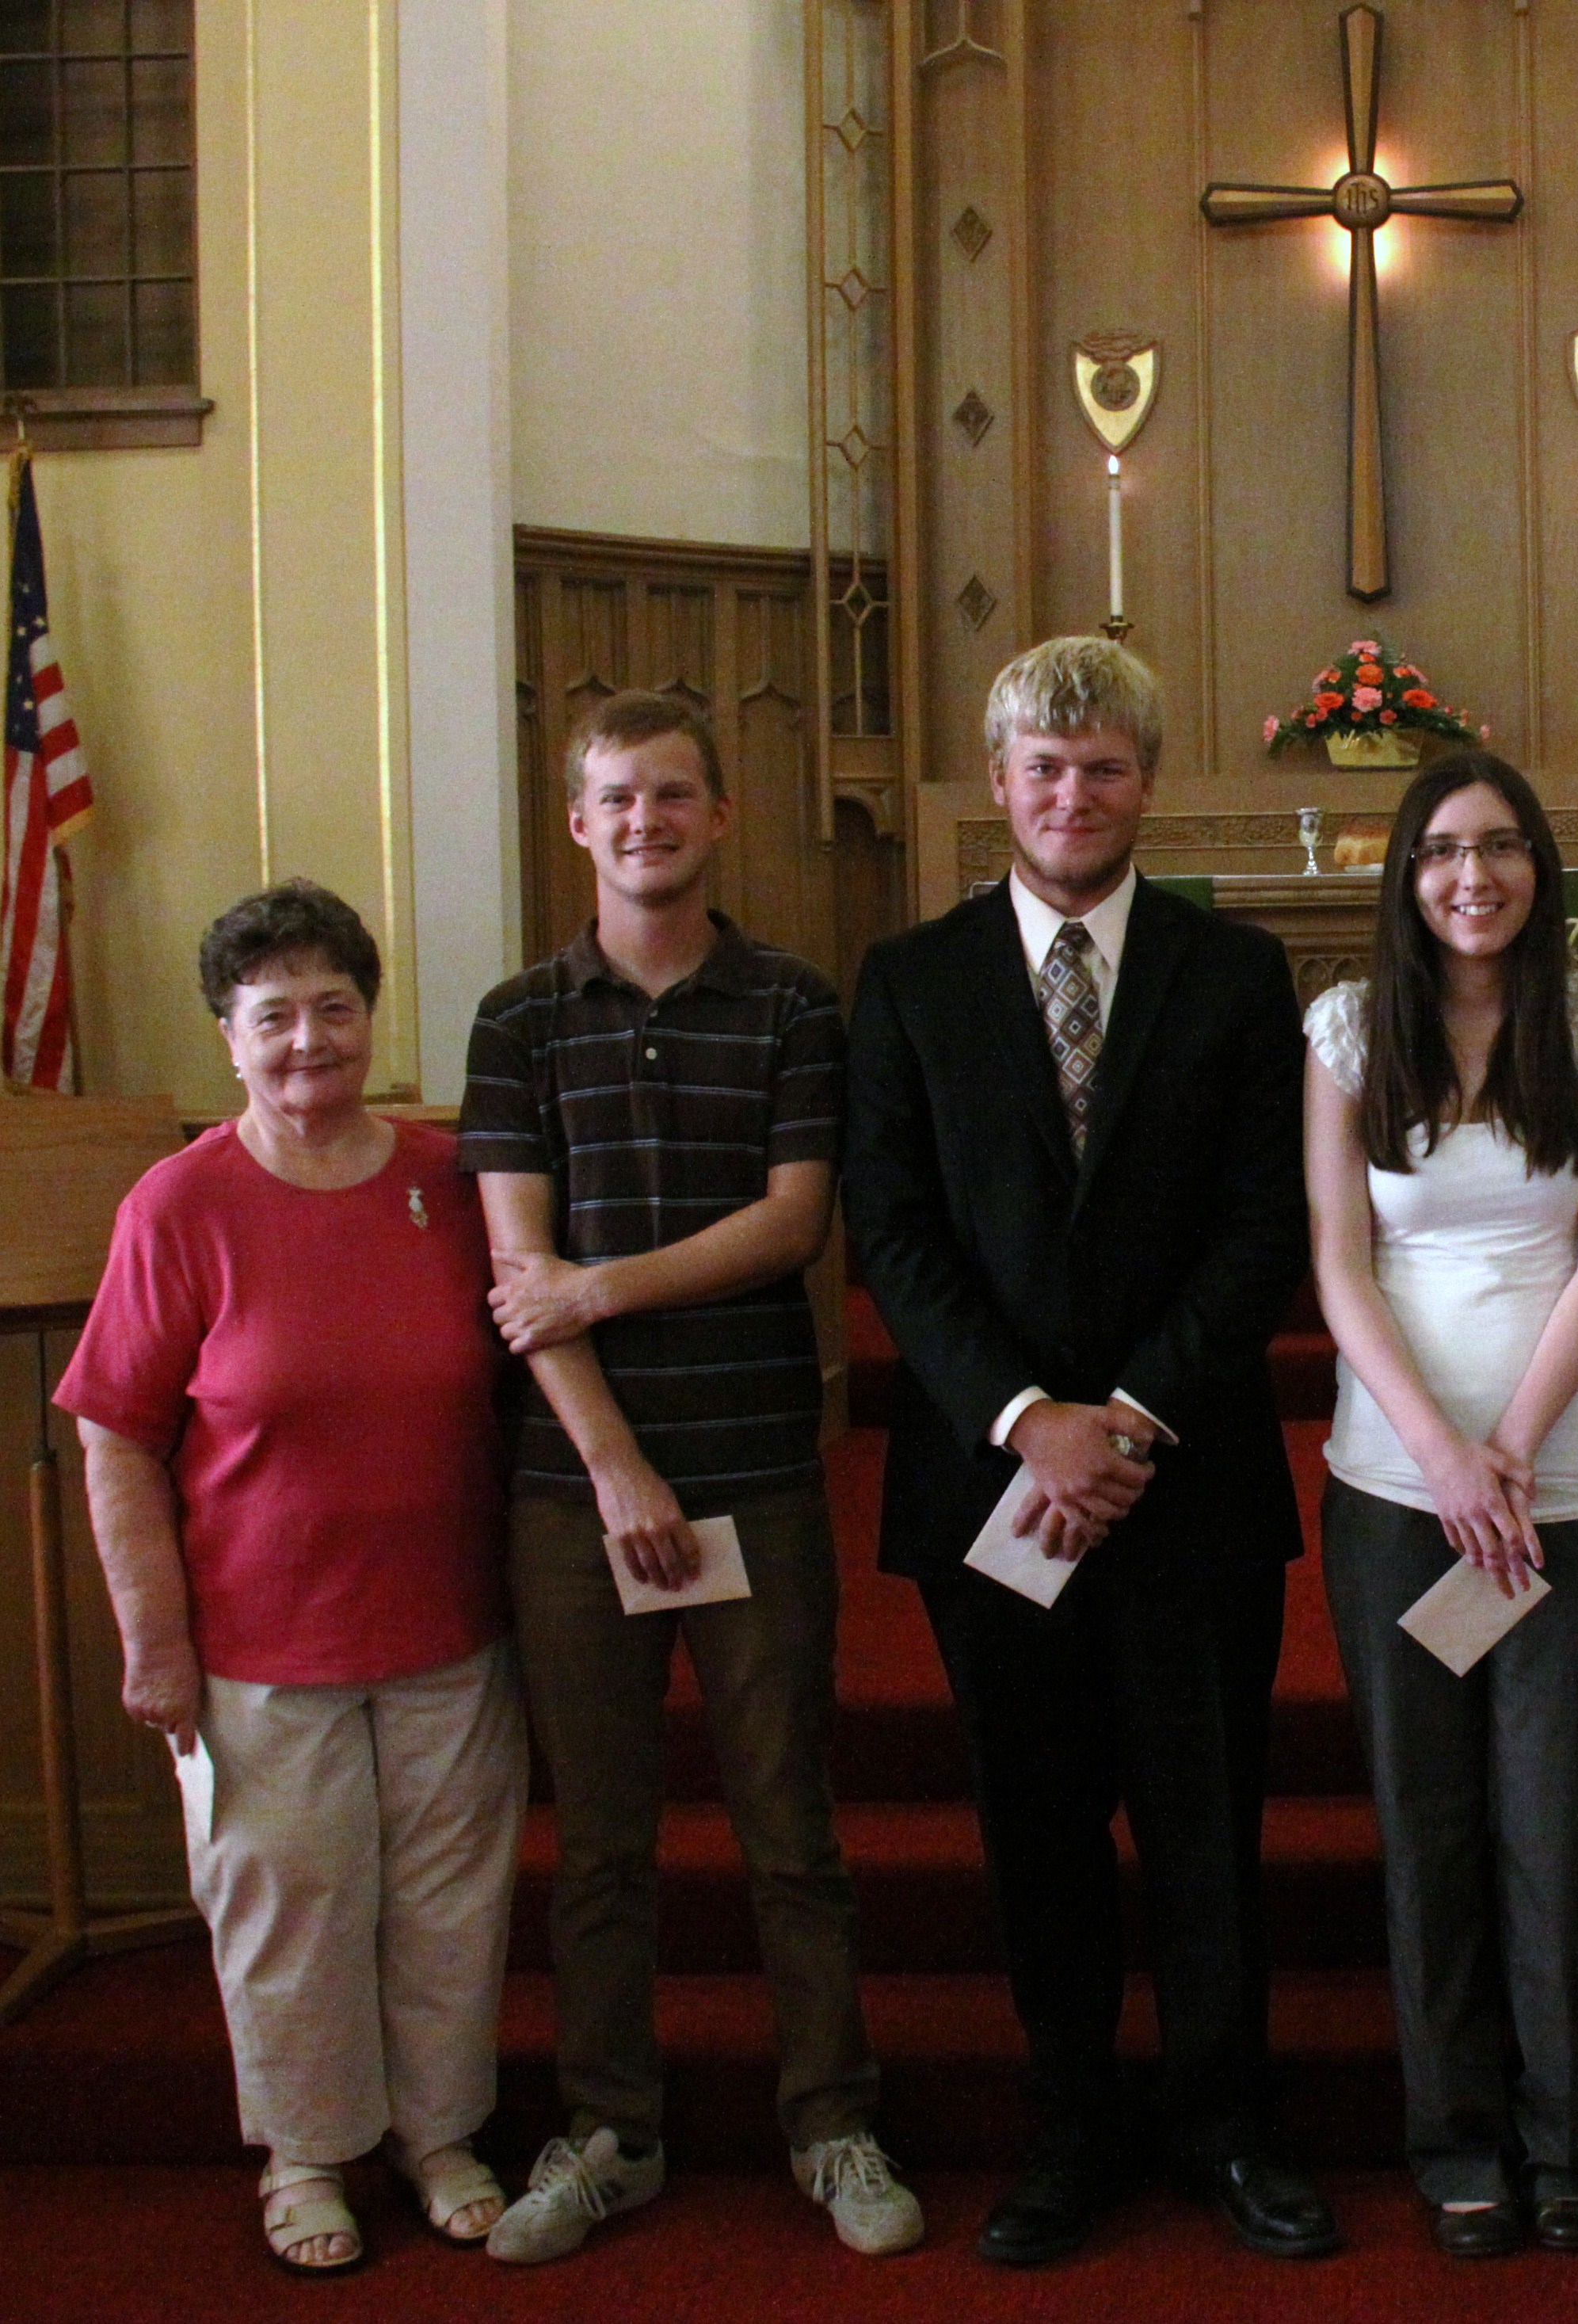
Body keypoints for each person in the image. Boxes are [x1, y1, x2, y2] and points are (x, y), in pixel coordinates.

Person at [843, 636, 1336, 2266]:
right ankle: (1069, 2122)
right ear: (999, 784)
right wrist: (1026, 1420)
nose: (1073, 793)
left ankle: (1226, 2119)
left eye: (1105, 766)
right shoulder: (908, 981)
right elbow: (892, 1231)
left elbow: (1264, 1223)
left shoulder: (1234, 973)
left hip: (1182, 1479)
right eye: (1045, 768)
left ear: (1147, 784)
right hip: (990, 1483)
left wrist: (1126, 1417)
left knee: (1206, 1824)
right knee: (1036, 1825)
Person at [460, 691, 917, 2263]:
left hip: (757, 1471)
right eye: (616, 798)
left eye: (672, 795)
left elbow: (792, 1225)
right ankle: (613, 2131)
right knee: (599, 1841)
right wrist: (616, 1469)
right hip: (575, 1489)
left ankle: (833, 2120)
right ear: (576, 824)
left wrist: (602, 1287)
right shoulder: (517, 1020)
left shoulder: (791, 1003)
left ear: (719, 816)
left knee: (791, 1824)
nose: (644, 822)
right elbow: (517, 1275)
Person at [62, 881, 524, 2273]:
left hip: (450, 1622)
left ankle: (438, 2133)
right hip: (259, 1645)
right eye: (274, 1016)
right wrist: (154, 1640)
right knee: (288, 1912)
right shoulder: (179, 1203)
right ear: (229, 1036)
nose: (309, 1039)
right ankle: (308, 2152)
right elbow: (116, 1437)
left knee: (449, 1904)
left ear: (371, 1017)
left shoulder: (450, 1182)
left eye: (334, 1006)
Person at [1304, 753, 1578, 2258]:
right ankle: (1456, 2140)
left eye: (1502, 846)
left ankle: (1569, 2138)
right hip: (1397, 1490)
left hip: (1564, 1485)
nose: (1474, 876)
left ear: (1539, 868)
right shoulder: (1344, 1030)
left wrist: (1510, 1441)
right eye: (1445, 850)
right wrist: (1445, 1456)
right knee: (1428, 1824)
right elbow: (1338, 1260)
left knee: (1556, 1827)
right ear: (1407, 874)